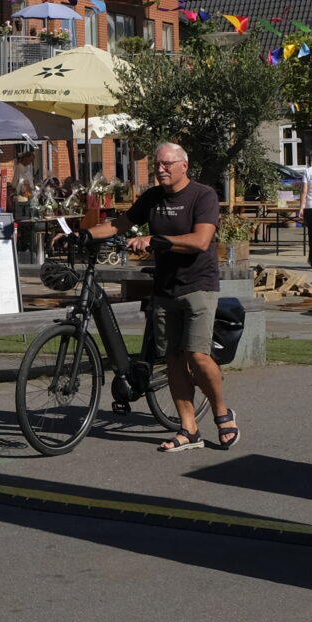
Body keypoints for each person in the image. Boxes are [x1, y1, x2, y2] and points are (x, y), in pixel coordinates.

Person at [90, 143, 235, 453]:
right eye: (157, 164)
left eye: (167, 164)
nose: (160, 169)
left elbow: (201, 240)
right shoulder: (153, 198)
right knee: (173, 360)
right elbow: (120, 224)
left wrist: (155, 240)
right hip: (165, 289)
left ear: (184, 165)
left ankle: (222, 411)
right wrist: (84, 234)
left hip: (198, 285)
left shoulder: (203, 195)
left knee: (197, 355)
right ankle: (189, 429)